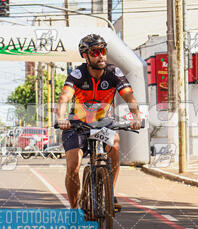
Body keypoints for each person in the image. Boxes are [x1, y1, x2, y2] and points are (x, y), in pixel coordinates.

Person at [56, 34, 142, 210]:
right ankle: (74, 209)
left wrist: (136, 117)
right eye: (95, 52)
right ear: (85, 56)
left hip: (102, 124)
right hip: (78, 125)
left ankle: (110, 192)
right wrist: (61, 118)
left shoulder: (113, 73)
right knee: (73, 166)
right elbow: (64, 98)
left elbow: (128, 96)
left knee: (115, 144)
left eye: (103, 51)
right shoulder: (78, 74)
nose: (101, 55)